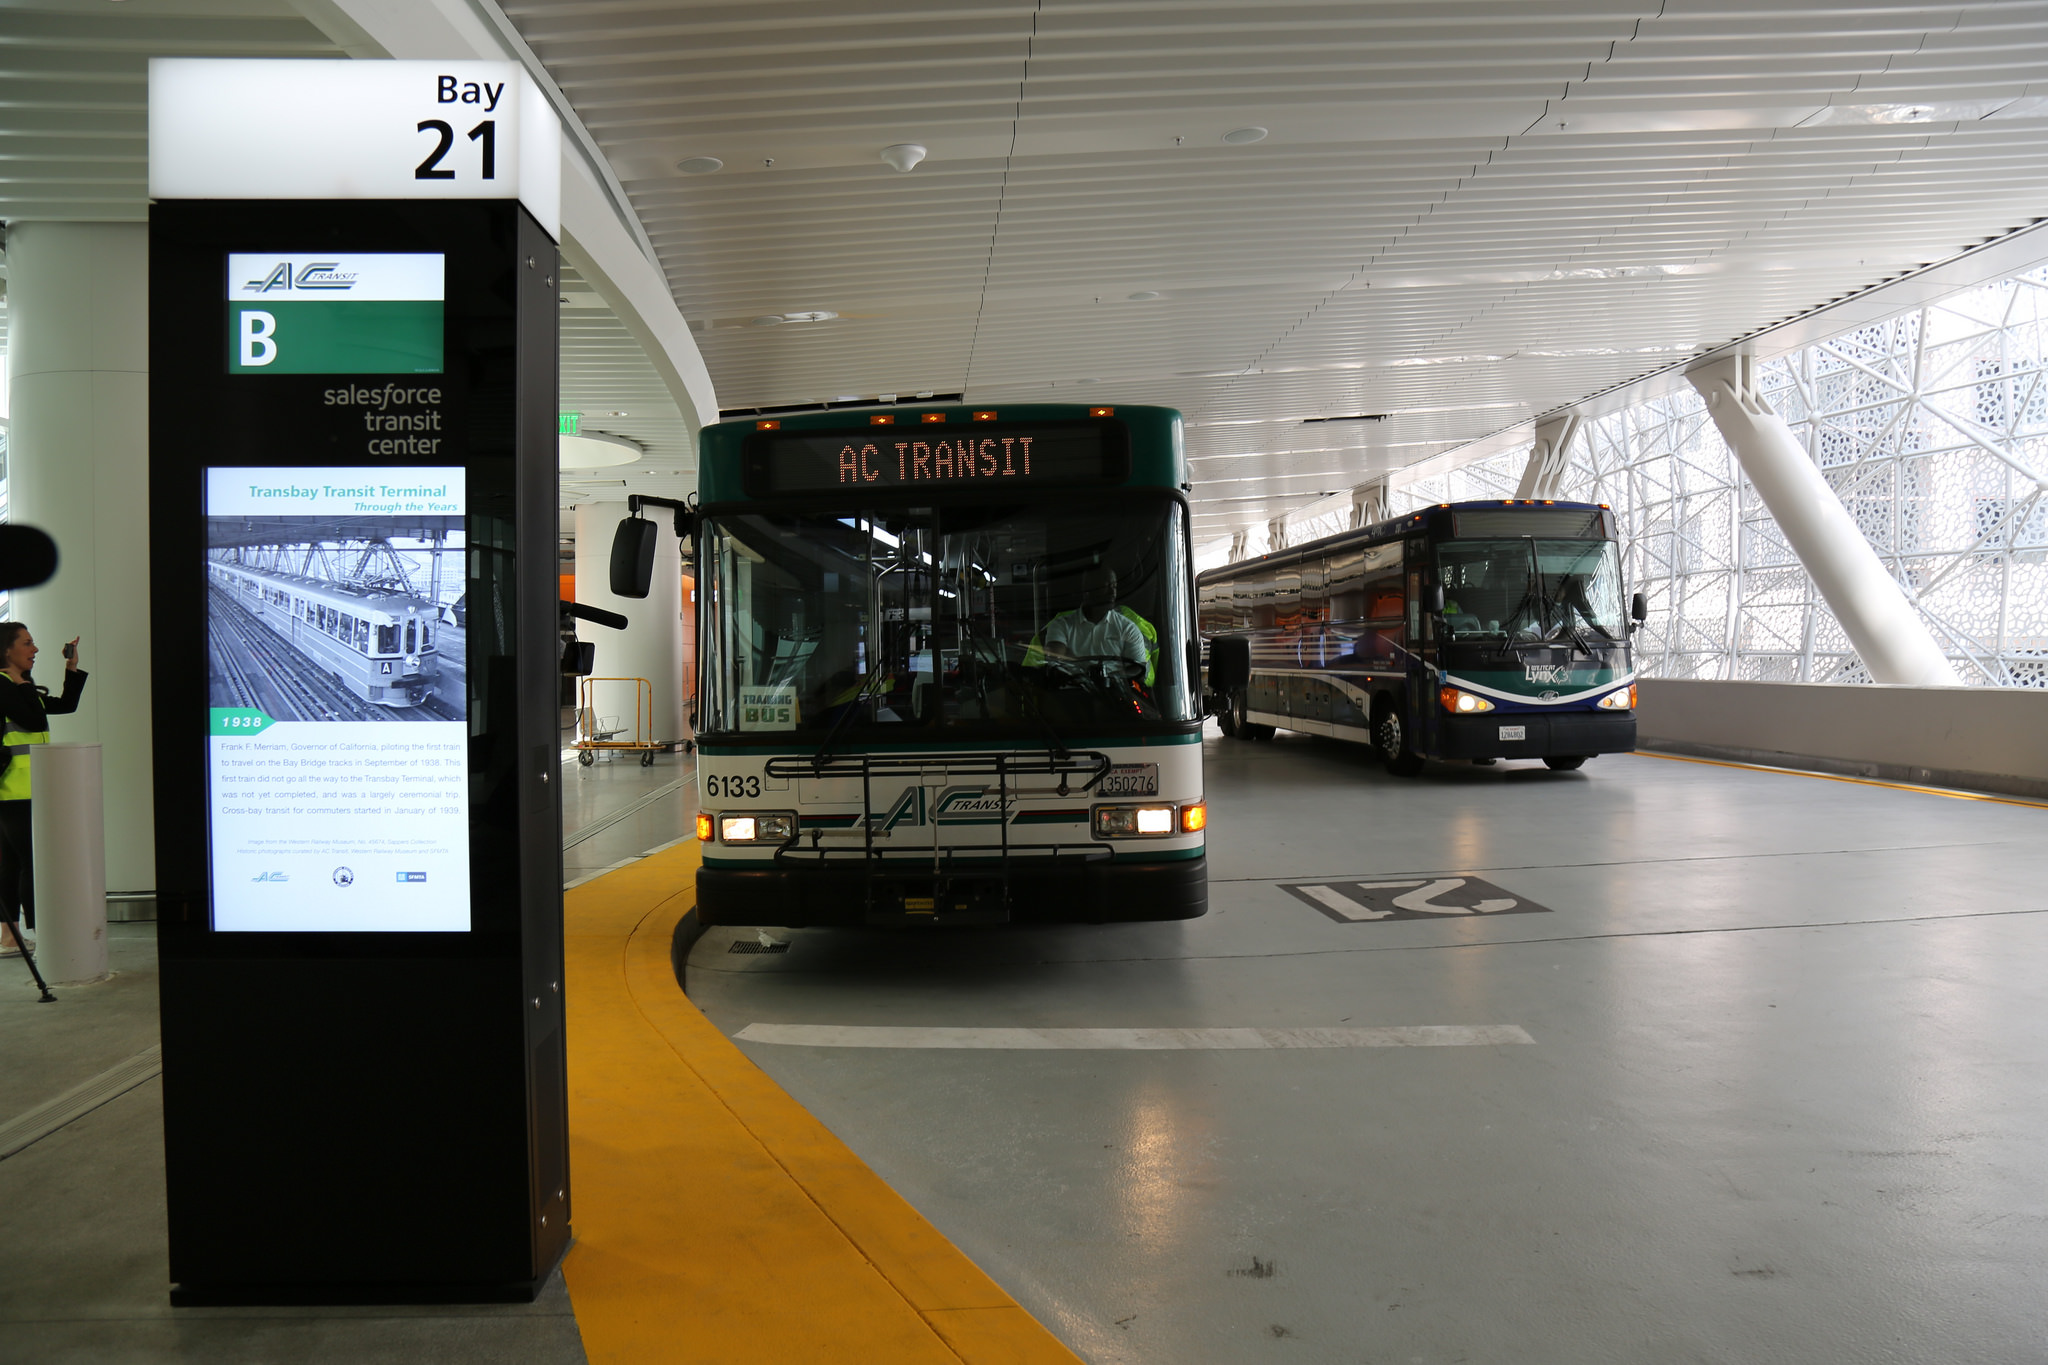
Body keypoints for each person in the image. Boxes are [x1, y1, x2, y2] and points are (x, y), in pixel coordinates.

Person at [0, 625, 87, 957]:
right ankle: (43, 935)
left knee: (11, 864)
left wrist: (71, 668)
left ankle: (9, 938)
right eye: (28, 643)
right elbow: (35, 721)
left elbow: (65, 705)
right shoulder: (4, 684)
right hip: (16, 788)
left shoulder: (16, 686)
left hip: (18, 789)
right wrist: (22, 683)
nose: (35, 649)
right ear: (7, 651)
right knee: (30, 862)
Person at [1035, 568, 1149, 678]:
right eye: (1106, 586)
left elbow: (1138, 669)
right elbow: (1055, 661)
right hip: (1073, 691)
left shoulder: (1128, 628)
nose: (1112, 592)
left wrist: (1110, 678)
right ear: (1088, 591)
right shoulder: (1061, 625)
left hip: (1113, 694)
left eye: (1114, 586)